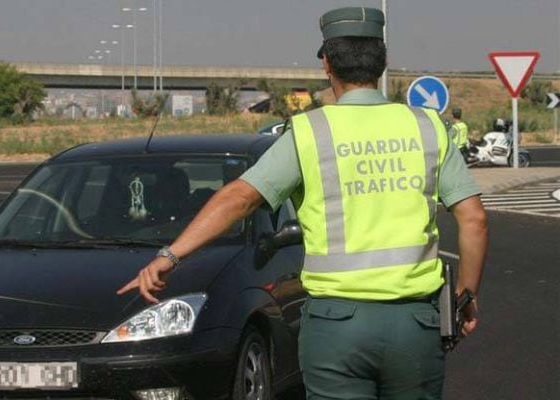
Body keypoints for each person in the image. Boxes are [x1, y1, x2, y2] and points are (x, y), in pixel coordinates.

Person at [118, 6, 488, 399]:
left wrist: (170, 256)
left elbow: (240, 197)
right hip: (415, 325)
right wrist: (465, 296)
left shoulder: (310, 132)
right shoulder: (427, 127)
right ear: (383, 63)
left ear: (327, 64)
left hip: (337, 327)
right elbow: (474, 220)